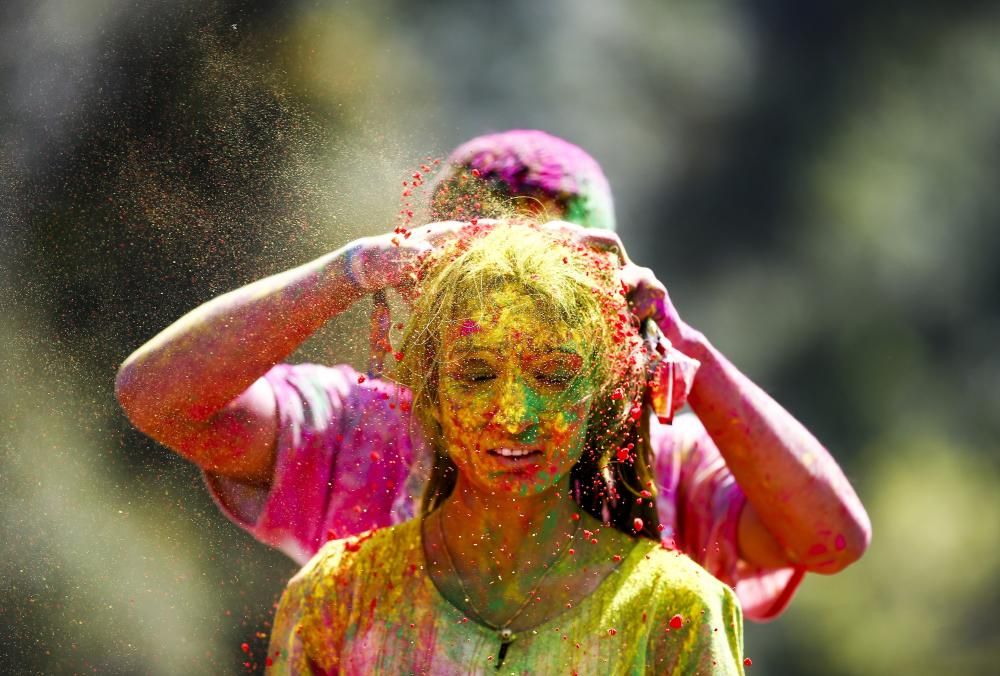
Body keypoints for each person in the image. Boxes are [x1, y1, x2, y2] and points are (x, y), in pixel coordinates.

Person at [115, 129, 871, 623]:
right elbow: (158, 398)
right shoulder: (361, 433)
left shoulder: (662, 468)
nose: (514, 412)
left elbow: (831, 538)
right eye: (484, 288)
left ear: (610, 314)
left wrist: (682, 348)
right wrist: (353, 269)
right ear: (432, 302)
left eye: (558, 298)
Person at [266, 222, 745, 673]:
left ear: (603, 394)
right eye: (476, 375)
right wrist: (354, 267)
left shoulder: (678, 610)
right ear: (431, 392)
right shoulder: (339, 594)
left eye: (554, 376)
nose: (515, 416)